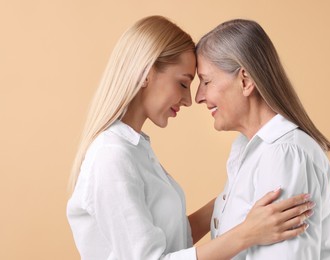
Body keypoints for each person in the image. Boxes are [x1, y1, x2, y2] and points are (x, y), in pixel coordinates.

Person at [67, 16, 315, 260]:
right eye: (184, 84)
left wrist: (240, 196)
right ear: (146, 73)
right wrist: (246, 234)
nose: (190, 99)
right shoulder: (112, 156)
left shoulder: (135, 149)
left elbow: (174, 240)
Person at [195, 19, 330, 259]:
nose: (199, 96)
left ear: (245, 80)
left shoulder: (284, 154)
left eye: (206, 81)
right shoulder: (250, 150)